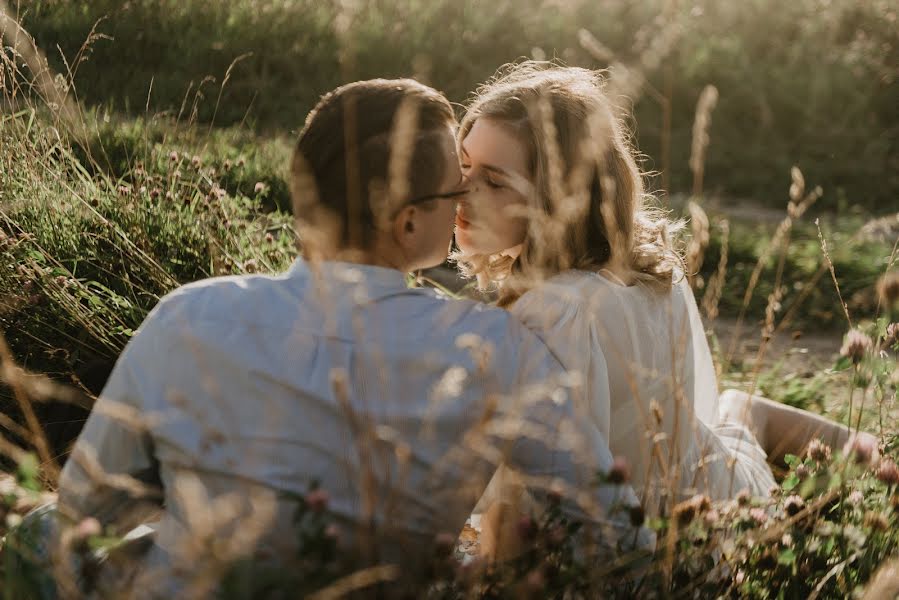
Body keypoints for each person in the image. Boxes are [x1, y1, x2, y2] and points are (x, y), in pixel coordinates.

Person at [54, 78, 653, 597]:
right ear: (409, 221)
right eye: (456, 188)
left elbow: (85, 512)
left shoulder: (188, 314)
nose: (466, 201)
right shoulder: (495, 349)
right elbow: (619, 533)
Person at [453, 62, 869, 518]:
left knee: (741, 414)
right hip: (707, 492)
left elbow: (548, 502)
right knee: (737, 409)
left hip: (679, 530)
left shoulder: (553, 312)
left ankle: (879, 463)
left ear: (557, 197)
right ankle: (879, 459)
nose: (460, 190)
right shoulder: (644, 267)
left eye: (492, 181)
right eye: (463, 165)